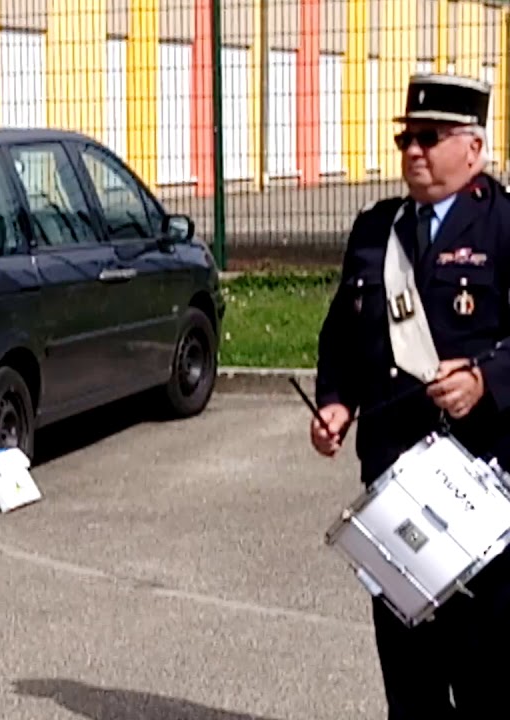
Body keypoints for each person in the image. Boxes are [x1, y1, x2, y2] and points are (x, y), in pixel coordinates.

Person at [311, 72, 510, 717]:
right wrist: (335, 401)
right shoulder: (377, 229)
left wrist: (485, 380)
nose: (413, 152)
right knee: (409, 673)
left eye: (430, 138)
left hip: (479, 485)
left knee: (484, 670)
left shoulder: (503, 225)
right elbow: (341, 335)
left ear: (473, 150)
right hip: (395, 480)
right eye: (406, 139)